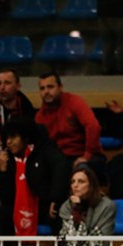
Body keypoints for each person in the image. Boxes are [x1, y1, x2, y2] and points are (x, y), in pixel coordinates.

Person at [34, 72, 104, 213]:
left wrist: (87, 154)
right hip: (60, 161)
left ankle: (86, 214)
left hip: (85, 155)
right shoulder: (39, 117)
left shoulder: (74, 102)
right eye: (42, 88)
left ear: (60, 87)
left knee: (81, 170)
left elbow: (93, 126)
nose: (46, 91)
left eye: (50, 87)